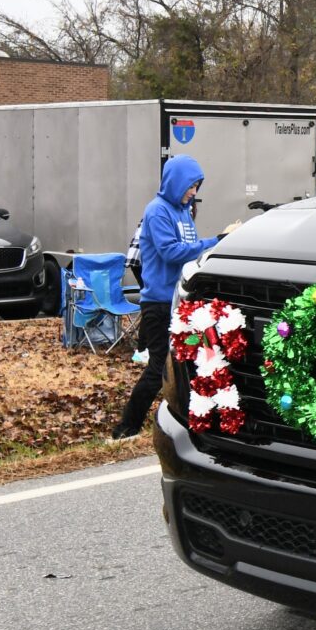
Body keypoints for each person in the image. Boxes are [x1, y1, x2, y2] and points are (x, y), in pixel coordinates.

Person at [114, 155, 223, 439]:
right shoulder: (157, 211)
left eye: (197, 186)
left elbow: (190, 252)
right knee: (158, 367)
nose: (194, 192)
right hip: (159, 305)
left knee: (192, 360)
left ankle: (194, 421)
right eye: (190, 186)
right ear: (176, 182)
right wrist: (215, 242)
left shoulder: (184, 213)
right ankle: (126, 429)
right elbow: (170, 252)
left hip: (181, 302)